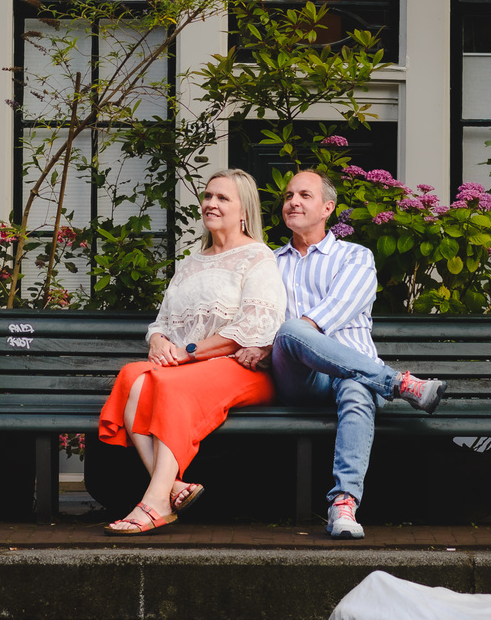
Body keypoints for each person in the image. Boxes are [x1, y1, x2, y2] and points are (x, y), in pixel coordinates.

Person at [251, 169, 446, 541]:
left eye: (304, 195)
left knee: (356, 388)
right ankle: (399, 383)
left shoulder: (356, 257)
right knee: (293, 332)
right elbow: (262, 318)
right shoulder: (268, 263)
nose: (292, 201)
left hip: (352, 375)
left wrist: (292, 330)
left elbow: (336, 310)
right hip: (298, 380)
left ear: (328, 207)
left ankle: (344, 503)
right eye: (289, 195)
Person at [97, 168, 286, 534]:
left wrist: (188, 351)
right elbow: (162, 321)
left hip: (240, 369)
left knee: (169, 386)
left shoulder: (258, 258)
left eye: (222, 198)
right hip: (189, 366)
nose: (210, 204)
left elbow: (254, 326)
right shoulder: (191, 261)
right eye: (208, 196)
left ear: (244, 210)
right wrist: (158, 341)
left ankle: (153, 503)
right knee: (132, 376)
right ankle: (174, 487)